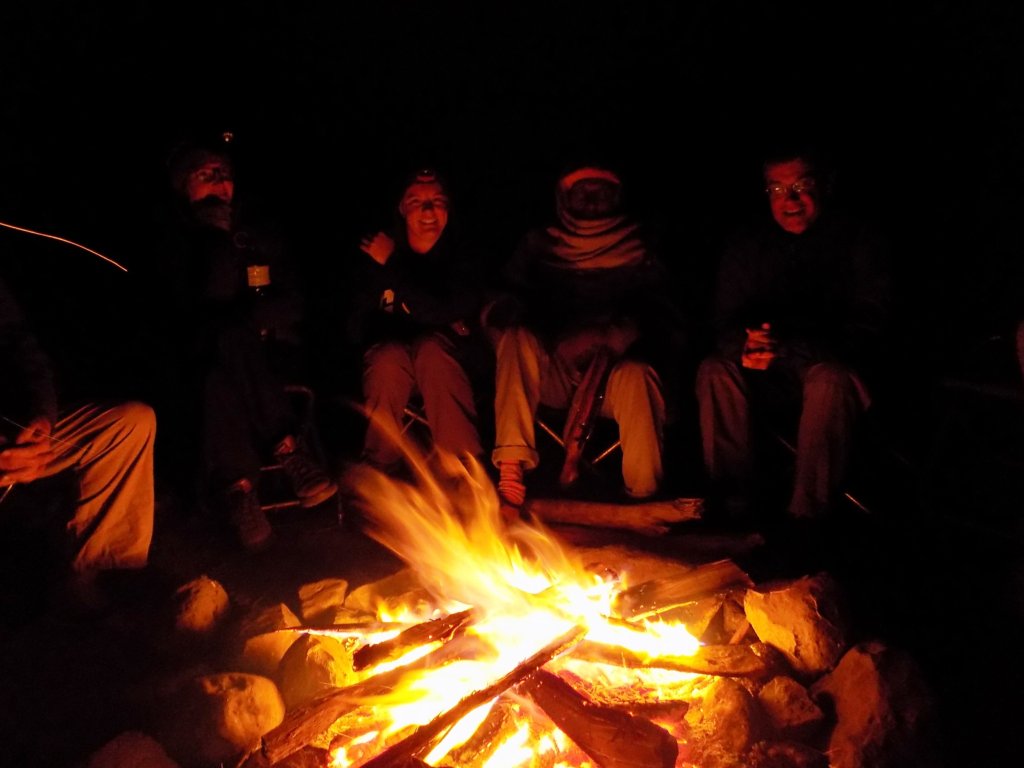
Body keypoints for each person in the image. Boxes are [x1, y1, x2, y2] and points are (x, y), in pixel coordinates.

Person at [141, 133, 336, 553]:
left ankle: (238, 490)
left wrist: (247, 322)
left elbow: (294, 299)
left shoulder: (260, 231)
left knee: (223, 353)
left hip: (269, 354)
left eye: (225, 174)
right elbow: (192, 308)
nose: (219, 182)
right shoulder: (171, 242)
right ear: (183, 186)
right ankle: (287, 448)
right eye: (205, 175)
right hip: (199, 360)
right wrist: (213, 240)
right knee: (215, 357)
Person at [695, 144, 891, 523]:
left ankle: (806, 516)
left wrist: (792, 347)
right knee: (716, 369)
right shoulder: (748, 244)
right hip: (770, 374)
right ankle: (733, 504)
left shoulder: (860, 241)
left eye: (802, 186)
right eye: (778, 189)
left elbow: (871, 323)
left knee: (830, 379)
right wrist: (745, 345)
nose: (791, 200)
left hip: (832, 370)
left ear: (827, 186)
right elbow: (724, 319)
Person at [484, 160, 685, 516]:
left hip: (613, 373)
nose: (592, 200)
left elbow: (667, 313)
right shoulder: (540, 245)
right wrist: (548, 333)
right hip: (554, 372)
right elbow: (502, 300)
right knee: (515, 338)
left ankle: (645, 499)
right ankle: (512, 470)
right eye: (583, 192)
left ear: (617, 197)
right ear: (565, 199)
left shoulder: (642, 250)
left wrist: (616, 334)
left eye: (601, 192)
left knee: (638, 375)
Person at [0, 273, 156, 607]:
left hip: (8, 435)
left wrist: (40, 417)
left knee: (130, 423)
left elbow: (24, 351)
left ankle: (97, 574)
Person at [343, 167, 489, 472]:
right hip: (394, 367)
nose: (427, 210)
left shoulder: (464, 256)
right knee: (387, 357)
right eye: (416, 201)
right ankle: (380, 470)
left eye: (437, 201)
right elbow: (356, 325)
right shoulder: (373, 253)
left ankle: (463, 473)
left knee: (431, 350)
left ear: (448, 208)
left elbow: (445, 310)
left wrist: (395, 264)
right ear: (401, 208)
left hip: (451, 366)